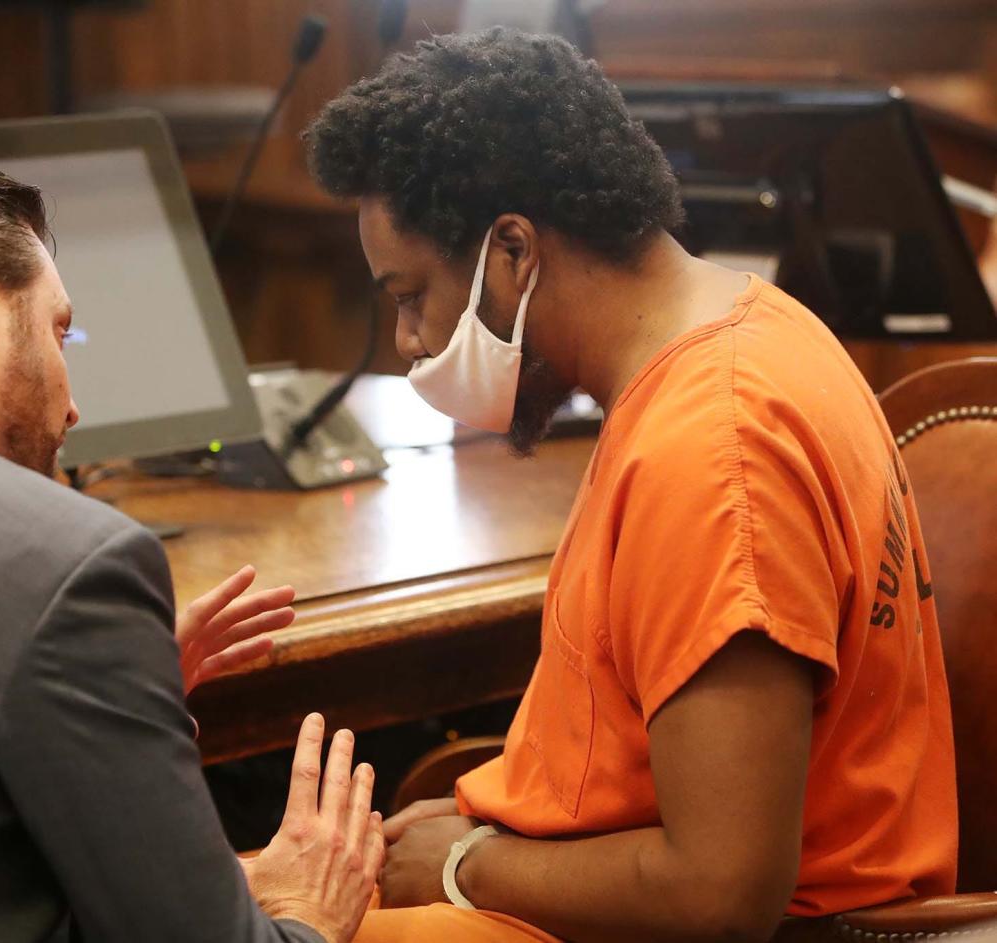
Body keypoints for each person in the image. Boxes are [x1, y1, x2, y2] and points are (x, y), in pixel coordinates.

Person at [305, 29, 957, 943]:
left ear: (513, 253)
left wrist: (463, 866)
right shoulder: (752, 327)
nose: (411, 340)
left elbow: (718, 896)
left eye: (411, 295)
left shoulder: (713, 450)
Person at [0, 136, 383, 943]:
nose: (74, 406)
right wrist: (311, 911)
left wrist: (105, 689)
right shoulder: (59, 559)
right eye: (60, 330)